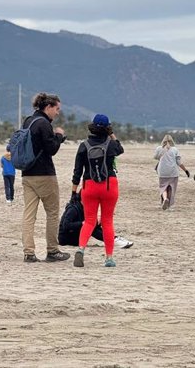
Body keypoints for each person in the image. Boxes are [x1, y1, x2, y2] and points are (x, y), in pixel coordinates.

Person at [21, 92, 70, 263]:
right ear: (48, 107)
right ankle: (52, 251)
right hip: (45, 174)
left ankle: (29, 252)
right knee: (52, 213)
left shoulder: (28, 120)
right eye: (56, 109)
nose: (57, 113)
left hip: (27, 174)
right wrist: (58, 135)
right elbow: (51, 149)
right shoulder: (44, 124)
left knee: (29, 215)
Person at [71, 114, 124, 268]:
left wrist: (74, 192)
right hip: (109, 185)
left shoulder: (83, 146)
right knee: (107, 222)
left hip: (89, 186)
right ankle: (108, 258)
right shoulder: (111, 144)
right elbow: (120, 148)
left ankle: (81, 250)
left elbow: (77, 172)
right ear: (108, 128)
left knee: (89, 221)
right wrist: (111, 133)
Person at [58, 191, 134, 249]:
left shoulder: (86, 207)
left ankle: (113, 238)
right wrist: (82, 223)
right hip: (66, 238)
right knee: (89, 227)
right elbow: (66, 225)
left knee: (92, 225)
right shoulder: (73, 209)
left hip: (76, 236)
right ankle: (113, 241)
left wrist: (99, 222)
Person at [154, 135, 191, 211]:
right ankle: (169, 206)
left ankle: (165, 199)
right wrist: (186, 170)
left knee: (163, 187)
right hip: (173, 172)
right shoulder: (175, 150)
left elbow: (155, 157)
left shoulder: (159, 148)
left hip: (162, 171)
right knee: (171, 188)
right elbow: (179, 162)